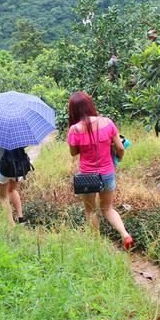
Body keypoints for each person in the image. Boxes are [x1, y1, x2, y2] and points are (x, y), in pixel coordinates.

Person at [66, 91, 134, 250]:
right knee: (108, 208)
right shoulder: (108, 123)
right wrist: (117, 160)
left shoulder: (75, 130)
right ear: (90, 105)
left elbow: (73, 153)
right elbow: (120, 148)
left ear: (73, 110)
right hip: (107, 173)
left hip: (87, 176)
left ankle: (97, 245)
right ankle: (125, 234)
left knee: (90, 211)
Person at [0, 144, 26, 226]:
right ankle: (21, 218)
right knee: (12, 190)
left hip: (2, 168)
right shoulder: (18, 134)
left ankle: (11, 225)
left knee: (3, 197)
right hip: (17, 168)